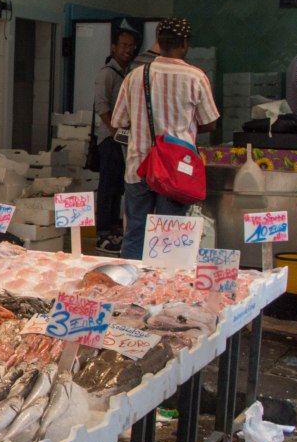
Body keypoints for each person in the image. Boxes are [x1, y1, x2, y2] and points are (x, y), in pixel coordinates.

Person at [112, 17, 219, 261]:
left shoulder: (136, 75)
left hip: (139, 166)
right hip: (176, 169)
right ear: (184, 43)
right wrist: (183, 127)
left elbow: (119, 120)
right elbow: (211, 122)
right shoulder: (196, 77)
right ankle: (163, 291)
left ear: (158, 41)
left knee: (135, 231)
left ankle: (129, 287)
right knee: (170, 235)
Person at [92, 28, 139, 256]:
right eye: (123, 45)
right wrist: (115, 132)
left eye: (131, 46)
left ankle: (114, 228)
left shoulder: (128, 73)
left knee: (119, 186)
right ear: (114, 46)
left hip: (123, 141)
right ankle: (102, 232)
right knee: (108, 186)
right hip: (110, 140)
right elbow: (101, 107)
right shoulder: (107, 73)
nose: (127, 50)